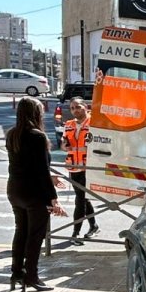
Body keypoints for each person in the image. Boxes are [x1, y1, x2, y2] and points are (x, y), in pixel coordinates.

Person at [5, 96, 66, 292]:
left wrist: (50, 178)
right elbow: (39, 170)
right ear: (35, 113)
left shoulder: (12, 134)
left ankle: (16, 272)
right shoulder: (38, 137)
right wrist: (53, 198)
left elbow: (26, 166)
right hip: (34, 193)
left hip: (15, 189)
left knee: (20, 231)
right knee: (35, 236)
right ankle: (31, 275)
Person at [62, 98, 98, 243]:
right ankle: (94, 225)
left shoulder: (94, 123)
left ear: (86, 107)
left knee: (80, 199)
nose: (75, 110)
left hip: (88, 167)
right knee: (83, 198)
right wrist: (65, 146)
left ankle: (75, 233)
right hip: (73, 167)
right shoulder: (69, 124)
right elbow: (64, 144)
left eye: (78, 107)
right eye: (72, 108)